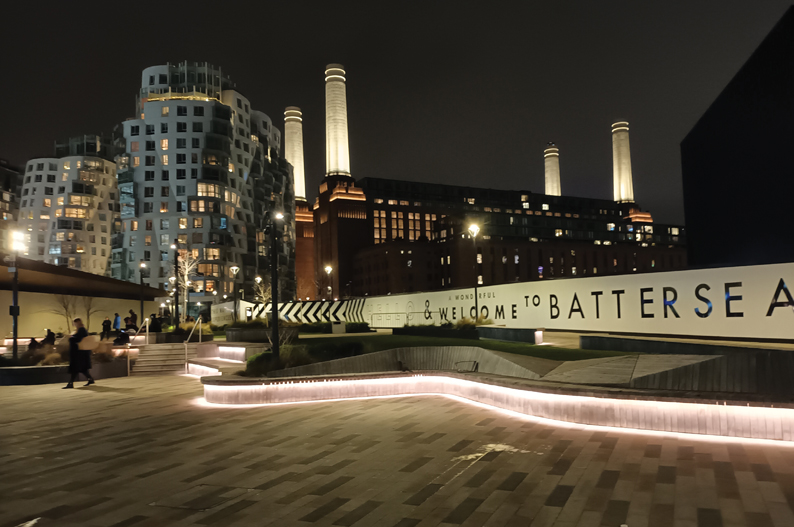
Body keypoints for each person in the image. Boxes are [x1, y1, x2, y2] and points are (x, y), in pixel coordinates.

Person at [63, 318, 94, 389]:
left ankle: (70, 383)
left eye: (75, 323)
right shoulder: (81, 329)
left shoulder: (81, 330)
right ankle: (90, 379)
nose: (74, 325)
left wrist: (70, 338)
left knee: (75, 368)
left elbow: (77, 339)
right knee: (81, 368)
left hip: (78, 353)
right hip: (80, 352)